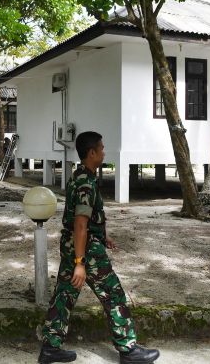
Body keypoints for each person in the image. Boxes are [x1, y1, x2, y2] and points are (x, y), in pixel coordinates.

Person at [38, 131, 160, 364]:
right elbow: (80, 224)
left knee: (64, 295)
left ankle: (50, 347)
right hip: (86, 253)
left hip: (75, 245)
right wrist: (80, 263)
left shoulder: (80, 176)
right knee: (114, 295)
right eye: (102, 148)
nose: (104, 152)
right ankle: (129, 349)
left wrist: (102, 236)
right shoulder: (86, 183)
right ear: (91, 153)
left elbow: (85, 220)